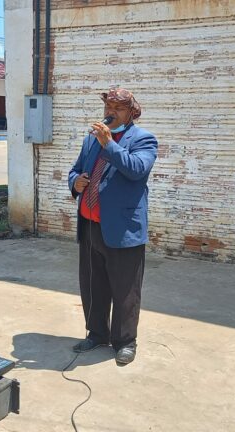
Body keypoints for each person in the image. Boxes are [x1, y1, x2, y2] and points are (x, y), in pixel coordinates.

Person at [67, 87, 158, 365]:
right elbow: (75, 169)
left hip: (123, 228)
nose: (110, 112)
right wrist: (75, 182)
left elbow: (136, 169)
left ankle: (125, 341)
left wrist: (110, 144)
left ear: (131, 112)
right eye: (108, 106)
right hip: (91, 224)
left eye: (118, 108)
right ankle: (96, 333)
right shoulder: (91, 140)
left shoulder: (144, 139)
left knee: (125, 290)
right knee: (93, 285)